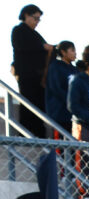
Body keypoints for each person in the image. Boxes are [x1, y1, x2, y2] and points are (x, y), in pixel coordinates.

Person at [11, 4, 51, 137]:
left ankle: (38, 133)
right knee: (28, 106)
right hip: (27, 75)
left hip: (39, 78)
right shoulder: (18, 30)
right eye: (35, 18)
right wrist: (42, 47)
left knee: (39, 107)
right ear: (26, 15)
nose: (37, 22)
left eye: (38, 19)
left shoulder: (35, 34)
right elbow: (21, 47)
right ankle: (26, 134)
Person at [45, 41, 76, 132]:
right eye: (72, 50)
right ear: (63, 52)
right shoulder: (55, 66)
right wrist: (70, 100)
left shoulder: (75, 70)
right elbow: (56, 88)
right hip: (58, 111)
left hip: (72, 113)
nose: (75, 53)